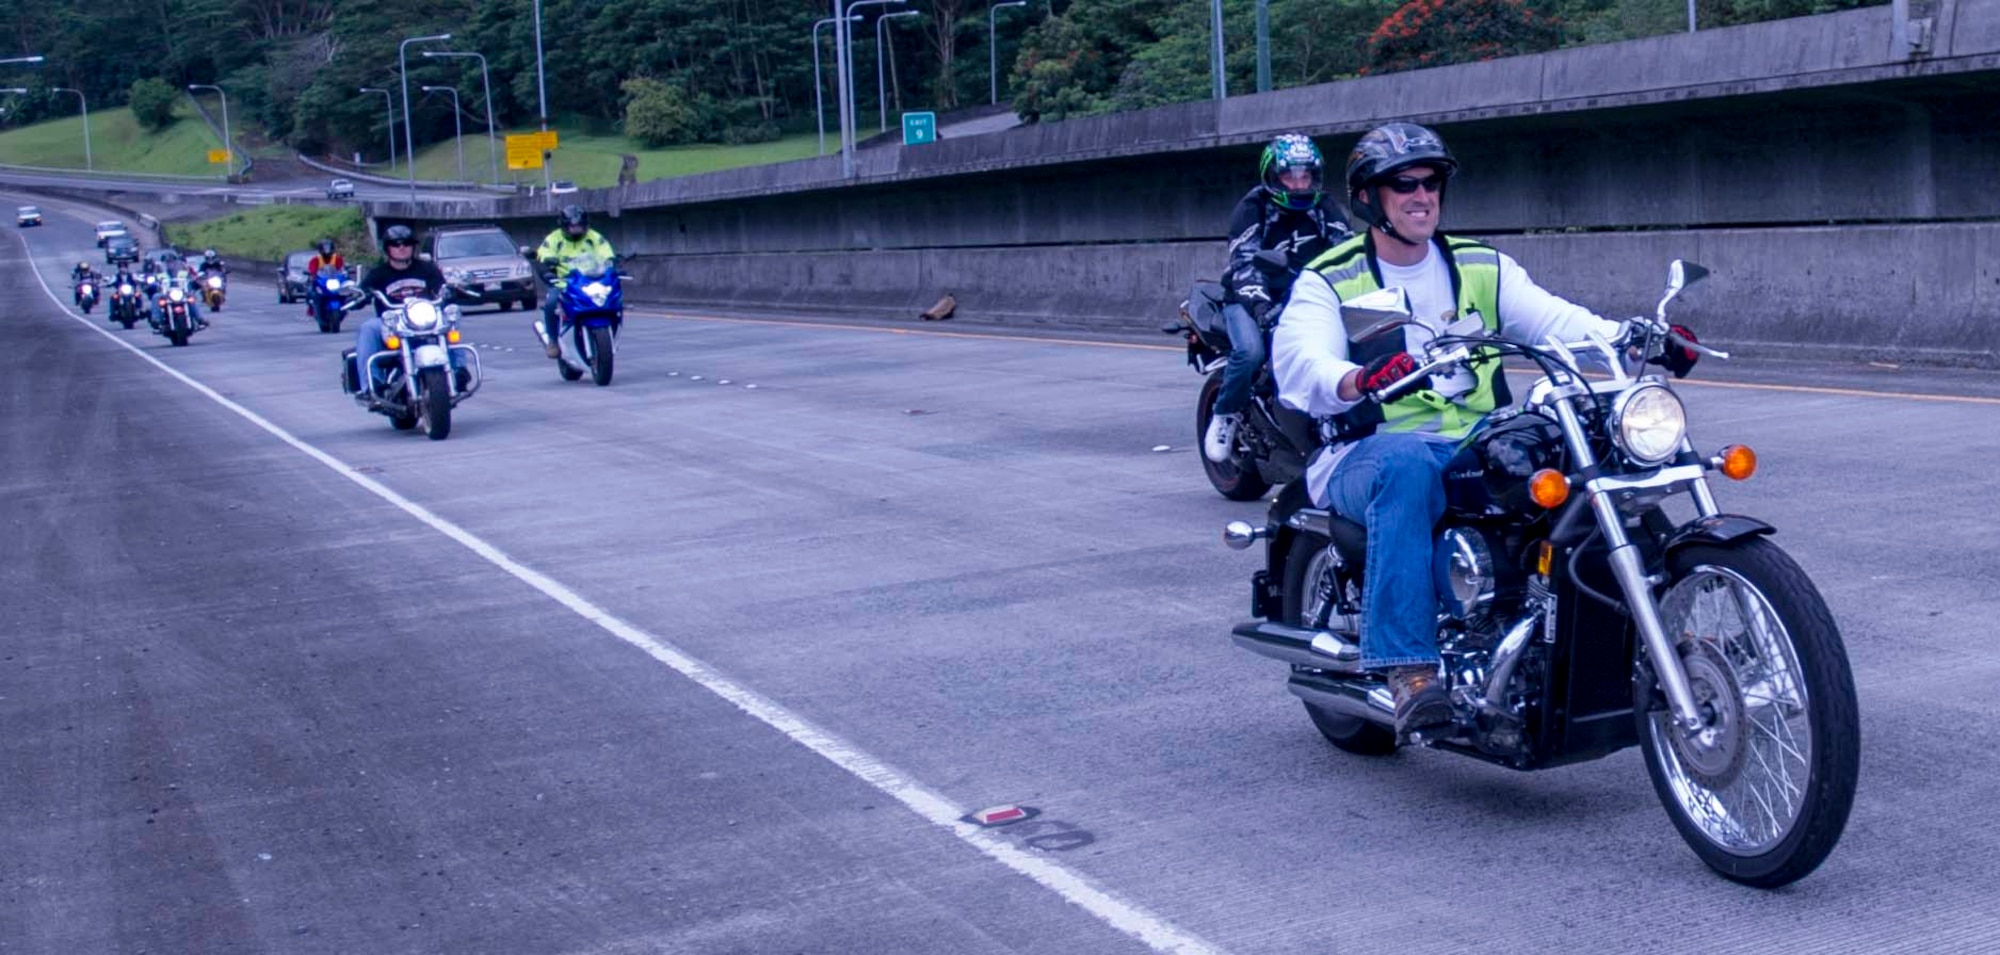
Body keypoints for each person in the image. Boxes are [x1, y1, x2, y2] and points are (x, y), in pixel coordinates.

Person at [1270, 122, 1699, 737]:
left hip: (1473, 441)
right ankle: (1410, 668)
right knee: (1408, 466)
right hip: (1364, 451)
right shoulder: (1331, 278)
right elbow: (1301, 363)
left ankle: (1656, 631)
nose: (1422, 197)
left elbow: (1558, 322)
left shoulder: (1479, 265)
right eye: (1403, 186)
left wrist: (1640, 338)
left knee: (1586, 446)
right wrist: (1357, 380)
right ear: (1369, 197)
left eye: (1431, 183)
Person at [1204, 134, 1353, 464]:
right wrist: (1260, 306)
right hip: (1250, 299)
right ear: (1272, 175)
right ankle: (1225, 415)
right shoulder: (1252, 208)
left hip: (1307, 296)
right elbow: (1243, 263)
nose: (1299, 185)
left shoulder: (1326, 208)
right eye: (1290, 176)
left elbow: (1347, 255)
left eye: (1305, 176)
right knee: (1251, 352)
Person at [350, 224, 464, 390]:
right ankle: (372, 384)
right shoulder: (378, 273)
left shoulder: (427, 268)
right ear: (387, 248)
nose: (401, 247)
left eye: (406, 243)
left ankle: (459, 370)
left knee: (451, 317)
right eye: (396, 244)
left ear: (413, 247)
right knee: (368, 328)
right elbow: (362, 292)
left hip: (425, 319)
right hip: (391, 323)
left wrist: (450, 292)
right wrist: (359, 295)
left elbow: (442, 288)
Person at [534, 204, 617, 359]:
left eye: (579, 226)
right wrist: (546, 270)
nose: (576, 229)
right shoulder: (554, 239)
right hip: (564, 283)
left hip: (592, 281)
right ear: (564, 226)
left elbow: (607, 253)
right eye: (572, 227)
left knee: (614, 299)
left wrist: (611, 264)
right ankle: (553, 341)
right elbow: (543, 255)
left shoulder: (594, 237)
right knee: (551, 302)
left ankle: (611, 329)